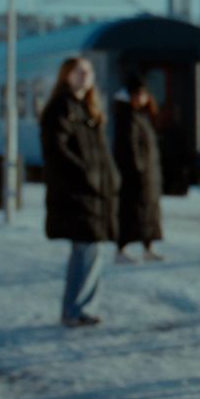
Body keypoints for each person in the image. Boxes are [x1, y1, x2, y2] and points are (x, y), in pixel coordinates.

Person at [40, 56, 119, 328]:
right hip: (77, 192)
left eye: (88, 71)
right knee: (85, 249)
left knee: (91, 249)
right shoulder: (62, 108)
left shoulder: (89, 109)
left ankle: (83, 307)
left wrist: (109, 179)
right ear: (66, 76)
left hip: (93, 191)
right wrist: (87, 175)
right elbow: (57, 151)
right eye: (77, 71)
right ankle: (76, 309)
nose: (84, 76)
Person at [112, 73, 165, 263]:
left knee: (148, 212)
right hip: (136, 176)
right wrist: (139, 169)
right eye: (138, 94)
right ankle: (122, 248)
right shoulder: (126, 117)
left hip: (147, 175)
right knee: (131, 212)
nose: (142, 98)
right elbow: (128, 148)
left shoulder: (140, 116)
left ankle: (147, 246)